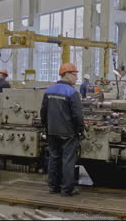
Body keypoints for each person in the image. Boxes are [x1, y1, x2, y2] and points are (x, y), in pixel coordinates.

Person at [40, 63, 84, 197]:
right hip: (68, 132)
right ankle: (66, 190)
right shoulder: (72, 92)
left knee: (54, 158)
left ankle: (53, 187)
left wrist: (46, 127)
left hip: (52, 131)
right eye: (75, 75)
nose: (76, 78)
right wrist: (81, 128)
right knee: (68, 160)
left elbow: (43, 111)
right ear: (67, 75)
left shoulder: (49, 90)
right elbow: (77, 115)